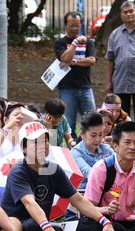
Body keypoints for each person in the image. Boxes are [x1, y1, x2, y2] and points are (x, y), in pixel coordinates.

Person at [0, 121, 117, 231]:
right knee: (34, 224)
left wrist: (104, 221)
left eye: (45, 141)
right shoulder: (18, 171)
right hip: (26, 227)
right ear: (24, 148)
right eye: (36, 142)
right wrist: (47, 227)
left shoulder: (53, 169)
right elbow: (29, 203)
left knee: (94, 224)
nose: (42, 146)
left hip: (45, 227)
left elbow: (77, 199)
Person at [55, 12, 96, 140]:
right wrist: (75, 43)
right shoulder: (60, 42)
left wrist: (74, 62)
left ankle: (88, 146)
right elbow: (65, 58)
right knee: (69, 125)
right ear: (66, 25)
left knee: (92, 122)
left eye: (77, 26)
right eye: (71, 25)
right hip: (67, 88)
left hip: (85, 87)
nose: (74, 28)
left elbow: (92, 61)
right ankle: (70, 151)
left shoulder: (88, 42)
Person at [71, 111, 114, 191]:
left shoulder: (107, 149)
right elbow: (90, 173)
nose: (97, 139)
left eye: (100, 135)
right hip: (84, 194)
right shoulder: (75, 153)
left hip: (106, 192)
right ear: (82, 134)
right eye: (93, 135)